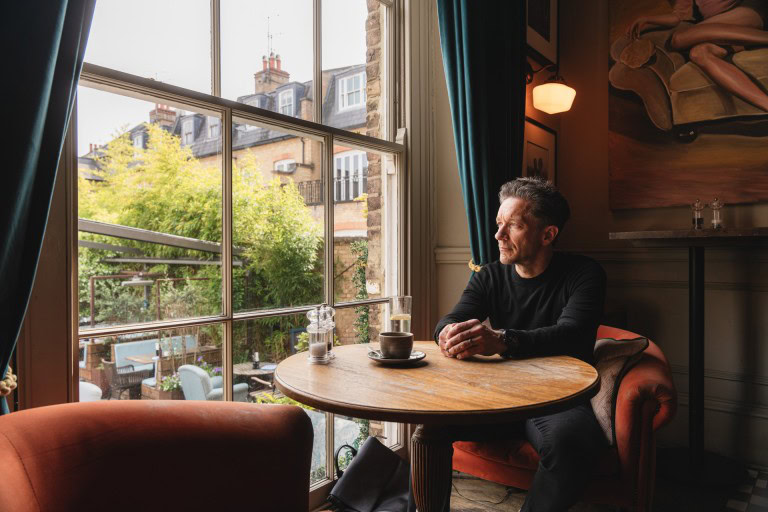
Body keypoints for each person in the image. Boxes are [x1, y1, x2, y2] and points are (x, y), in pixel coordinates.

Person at [434, 177, 606, 512]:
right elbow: (451, 319)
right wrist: (448, 334)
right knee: (429, 426)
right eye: (499, 224)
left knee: (573, 444)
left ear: (548, 234)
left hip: (559, 395)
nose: (498, 236)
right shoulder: (489, 276)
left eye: (513, 225)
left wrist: (501, 340)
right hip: (497, 394)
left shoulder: (584, 274)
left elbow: (571, 333)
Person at [628, 0, 768, 112]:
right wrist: (647, 19)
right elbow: (677, 17)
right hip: (724, 31)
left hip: (749, 12)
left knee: (679, 39)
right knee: (698, 53)